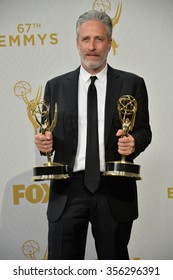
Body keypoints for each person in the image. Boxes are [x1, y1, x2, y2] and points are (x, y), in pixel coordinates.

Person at [34, 10, 152, 260]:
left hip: (113, 190)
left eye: (99, 39)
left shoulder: (132, 83)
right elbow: (47, 135)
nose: (92, 47)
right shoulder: (56, 86)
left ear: (110, 42)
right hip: (67, 190)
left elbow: (144, 131)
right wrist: (44, 144)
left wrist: (134, 143)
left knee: (114, 267)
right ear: (77, 42)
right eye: (86, 39)